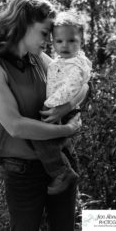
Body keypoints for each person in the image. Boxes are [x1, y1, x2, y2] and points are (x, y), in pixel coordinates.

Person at [0, 0, 88, 231]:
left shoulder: (38, 59)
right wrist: (65, 128)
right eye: (45, 33)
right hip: (23, 172)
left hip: (61, 163)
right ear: (24, 24)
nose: (50, 41)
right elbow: (15, 126)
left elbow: (83, 85)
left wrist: (65, 108)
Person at [30, 10, 92, 195]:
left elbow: (74, 87)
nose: (65, 45)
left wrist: (53, 105)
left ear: (81, 42)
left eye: (72, 40)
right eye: (59, 41)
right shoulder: (61, 60)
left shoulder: (75, 64)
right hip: (61, 108)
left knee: (40, 138)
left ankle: (62, 173)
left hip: (59, 107)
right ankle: (64, 170)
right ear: (53, 41)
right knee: (54, 141)